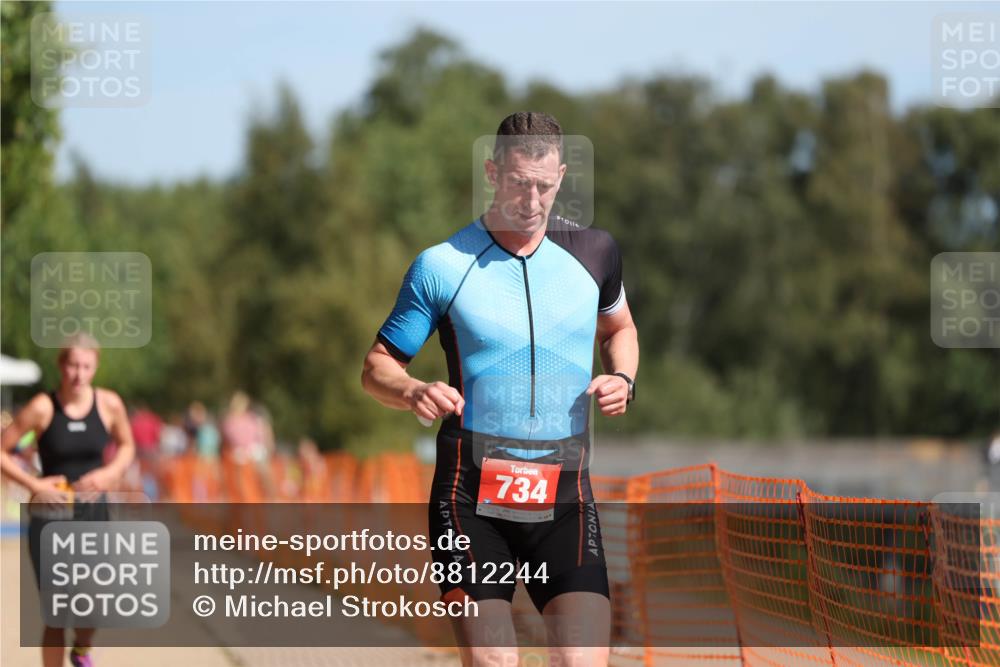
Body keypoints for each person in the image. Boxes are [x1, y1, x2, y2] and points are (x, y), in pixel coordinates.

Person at [362, 112, 639, 666]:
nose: (531, 199)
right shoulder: (442, 266)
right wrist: (413, 389)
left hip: (564, 497)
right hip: (471, 499)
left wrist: (623, 378)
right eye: (518, 182)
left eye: (544, 184)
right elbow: (377, 367)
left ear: (561, 175)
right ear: (492, 172)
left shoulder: (595, 254)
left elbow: (621, 328)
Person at [0, 334, 136, 667]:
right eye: (72, 365)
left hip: (93, 514)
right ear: (61, 365)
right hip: (51, 517)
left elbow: (128, 446)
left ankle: (82, 649)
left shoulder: (109, 404)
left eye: (86, 366)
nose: (78, 374)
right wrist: (35, 484)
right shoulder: (42, 408)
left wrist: (109, 474)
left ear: (95, 367)